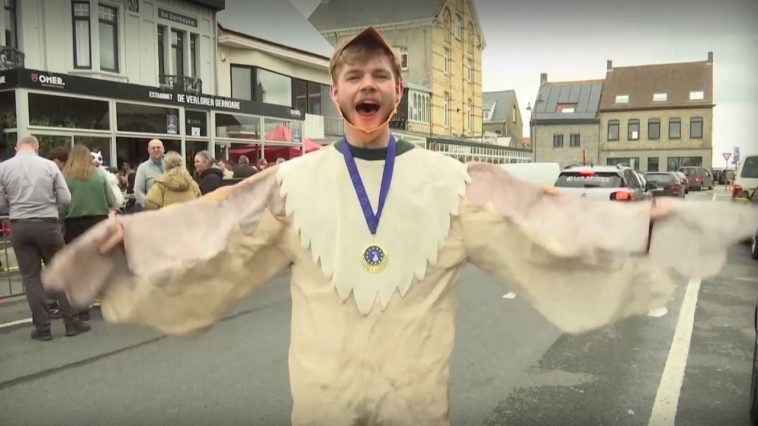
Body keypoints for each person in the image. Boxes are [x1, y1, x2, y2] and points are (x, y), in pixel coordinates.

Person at [42, 28, 758, 424]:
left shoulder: (453, 181)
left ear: (397, 92)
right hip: (323, 405)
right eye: (354, 76)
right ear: (335, 95)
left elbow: (541, 232)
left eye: (379, 75)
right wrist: (131, 246)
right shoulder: (292, 184)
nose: (367, 86)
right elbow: (220, 238)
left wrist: (638, 232)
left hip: (416, 406)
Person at [0, 136, 90, 341]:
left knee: (31, 278)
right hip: (47, 225)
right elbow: (65, 198)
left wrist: (15, 205)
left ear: (16, 148)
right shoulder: (49, 166)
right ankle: (71, 322)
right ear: (37, 147)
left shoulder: (3, 168)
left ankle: (42, 329)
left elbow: (1, 204)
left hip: (20, 225)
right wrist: (49, 202)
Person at [63, 144, 116, 321]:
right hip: (98, 222)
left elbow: (61, 204)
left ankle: (82, 307)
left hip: (74, 224)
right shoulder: (99, 175)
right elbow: (111, 200)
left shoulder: (66, 177)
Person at [133, 139, 165, 207]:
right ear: (149, 151)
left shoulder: (171, 165)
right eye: (153, 148)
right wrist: (149, 205)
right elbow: (138, 191)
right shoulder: (142, 168)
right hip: (153, 210)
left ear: (163, 149)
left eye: (158, 147)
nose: (156, 150)